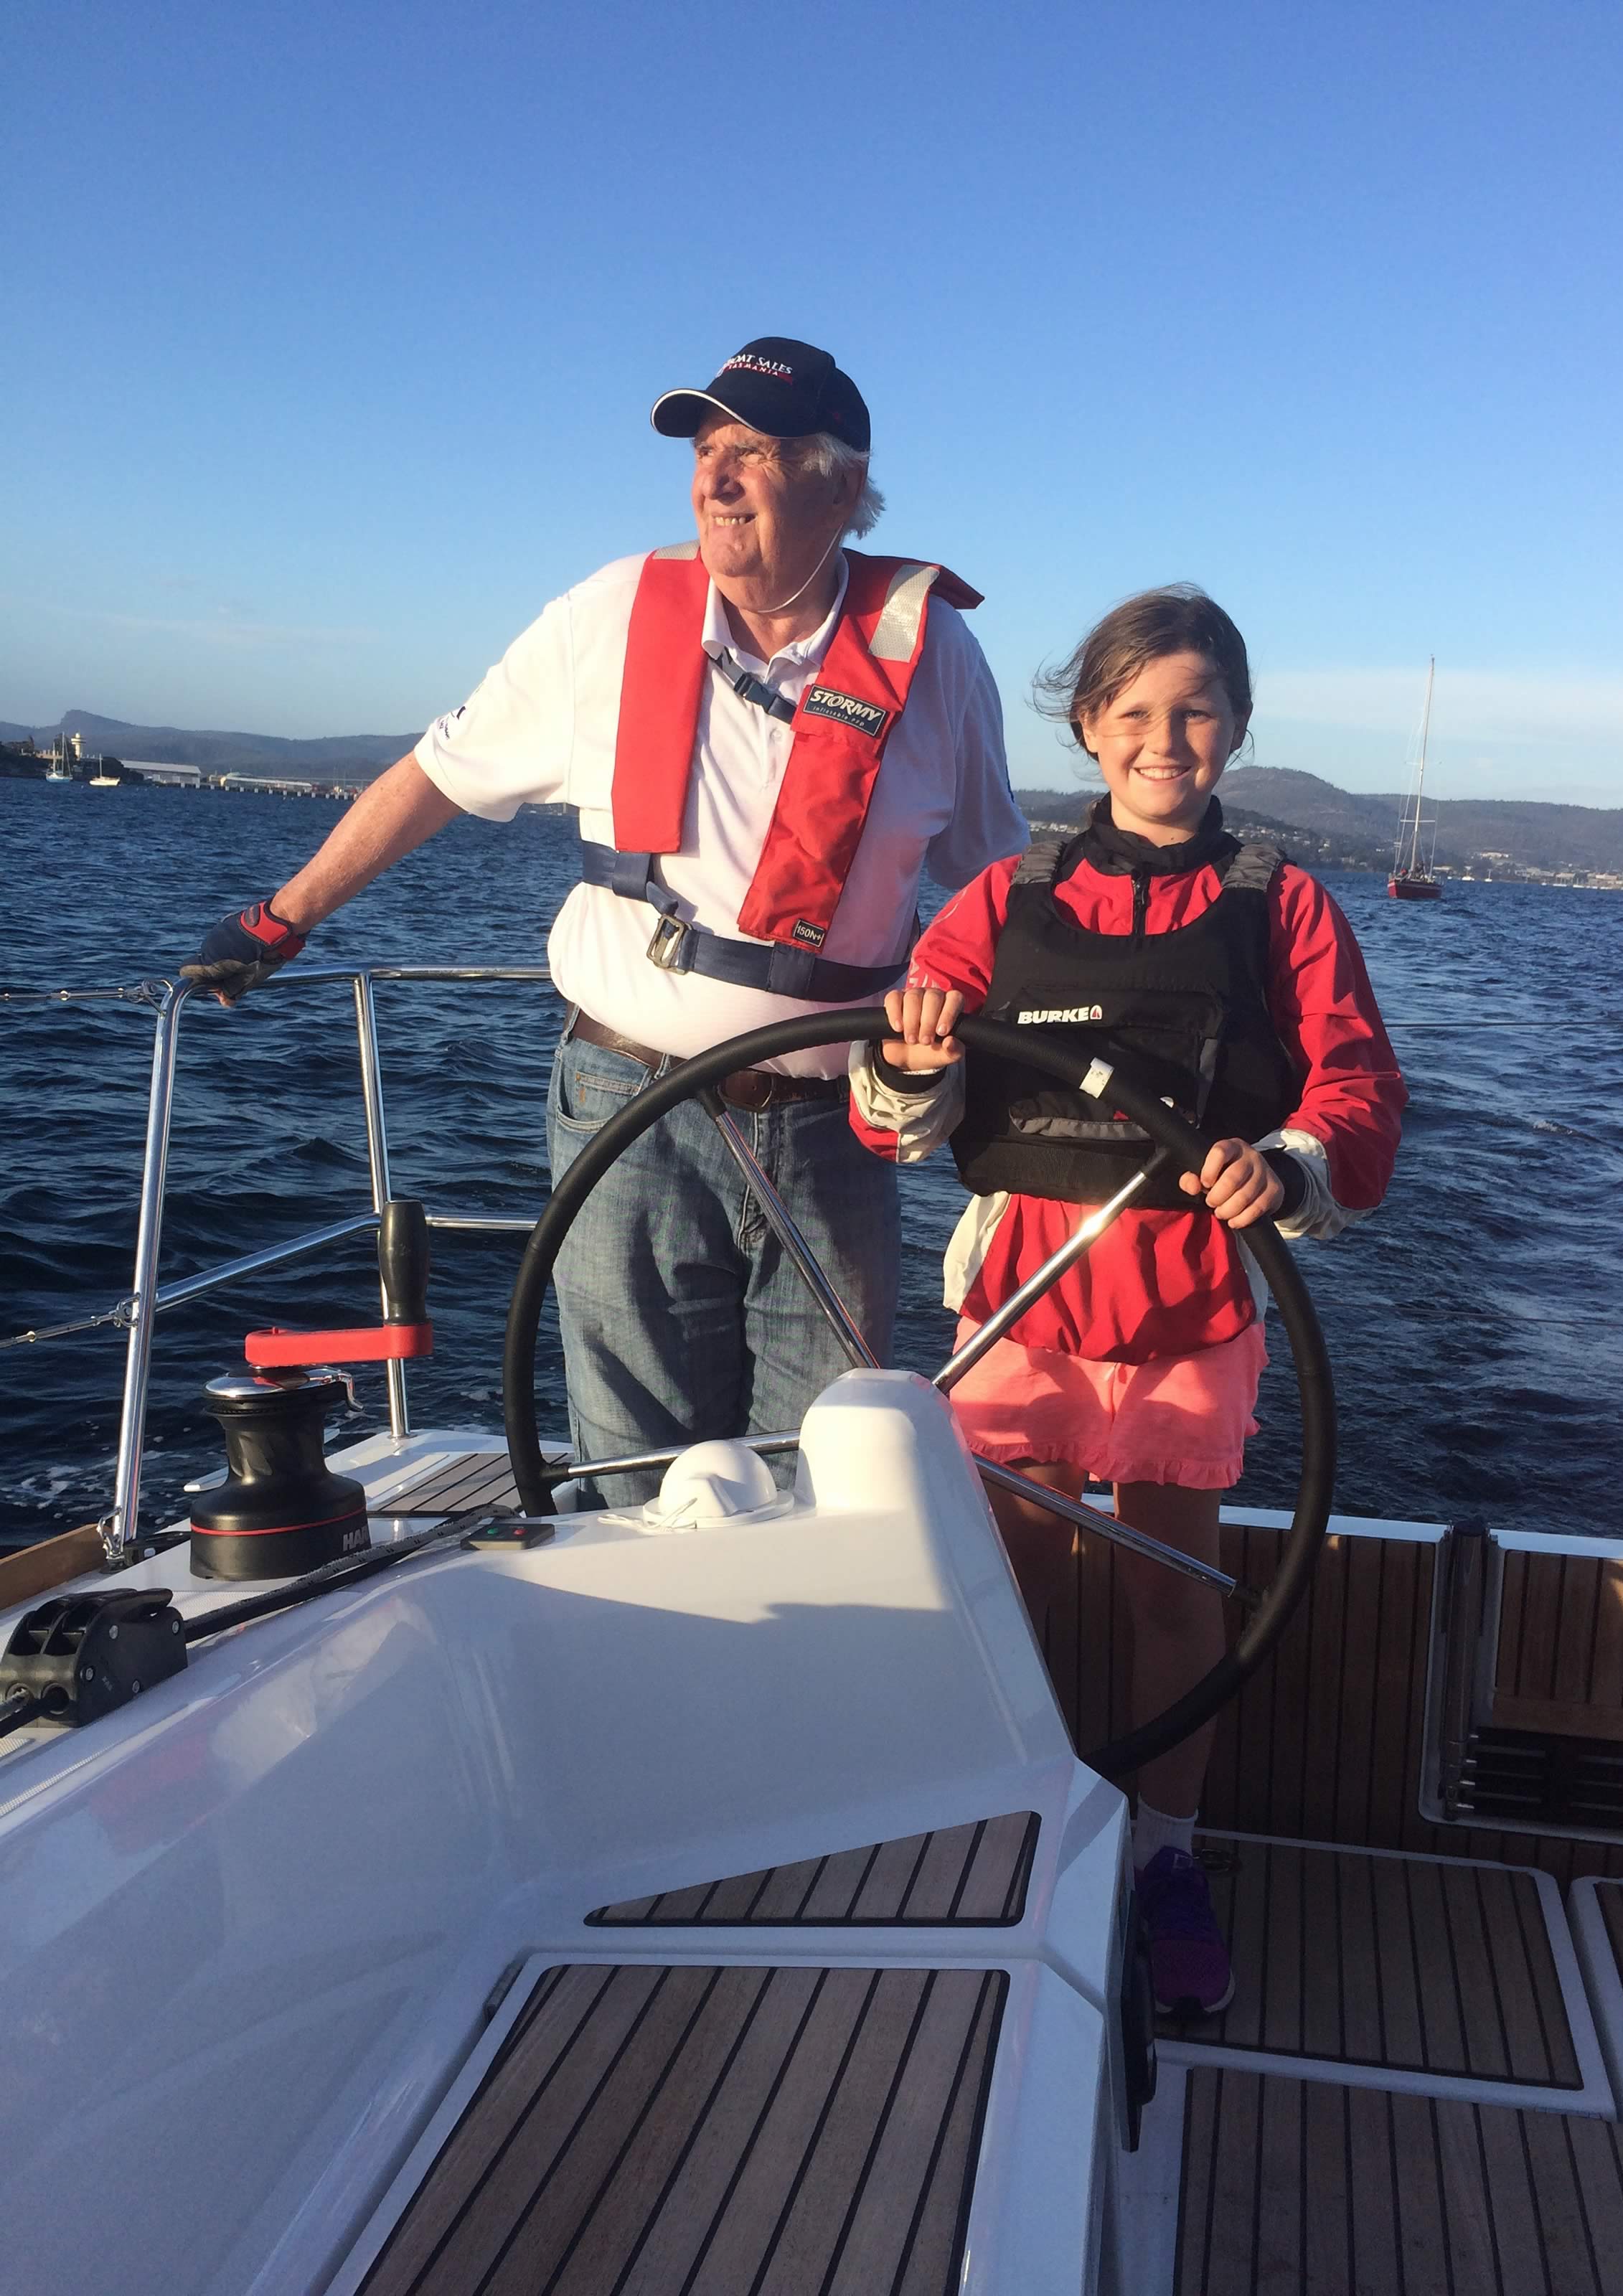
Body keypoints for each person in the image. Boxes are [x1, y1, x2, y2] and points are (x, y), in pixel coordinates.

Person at [181, 336, 1025, 1500]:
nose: (716, 478)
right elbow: (440, 773)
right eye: (706, 450)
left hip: (836, 1129)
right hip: (628, 1108)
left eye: (756, 452)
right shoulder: (609, 615)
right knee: (636, 1479)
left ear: (841, 487)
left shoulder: (935, 658)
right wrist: (281, 919)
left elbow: (996, 890)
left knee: (828, 1475)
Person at [849, 585, 1404, 2016]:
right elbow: (893, 1105)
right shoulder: (1000, 898)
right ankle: (995, 1813)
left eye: (1197, 711)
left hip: (1190, 1305)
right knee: (1009, 1577)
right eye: (1137, 712)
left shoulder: (1285, 906)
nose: (1167, 739)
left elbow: (1357, 1090)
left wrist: (1287, 1163)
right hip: (1018, 1304)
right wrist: (910, 1063)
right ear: (1090, 725)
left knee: (1171, 1589)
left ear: (1237, 727)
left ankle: (1165, 1856)